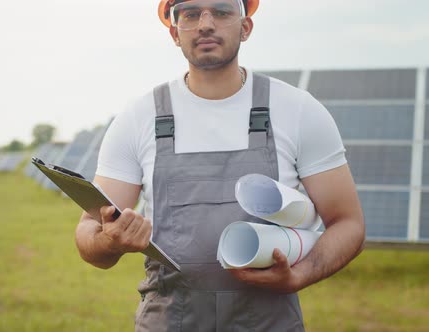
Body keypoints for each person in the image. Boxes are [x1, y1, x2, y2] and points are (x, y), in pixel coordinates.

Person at [75, 0, 365, 330]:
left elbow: (348, 224)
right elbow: (89, 229)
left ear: (245, 28)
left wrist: (299, 274)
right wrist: (109, 242)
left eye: (222, 11)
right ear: (174, 32)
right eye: (191, 13)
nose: (206, 24)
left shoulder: (297, 111)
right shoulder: (138, 119)